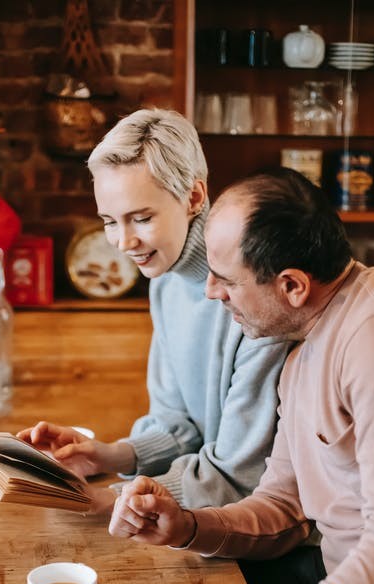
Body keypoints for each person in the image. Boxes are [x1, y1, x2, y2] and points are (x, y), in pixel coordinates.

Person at [107, 167, 374, 584]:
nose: (210, 293)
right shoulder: (299, 352)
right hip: (338, 572)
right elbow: (282, 506)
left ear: (292, 285)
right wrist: (186, 524)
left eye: (225, 279)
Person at [18, 109, 290, 513]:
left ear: (194, 198)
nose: (124, 241)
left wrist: (107, 500)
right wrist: (108, 456)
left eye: (141, 218)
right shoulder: (165, 277)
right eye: (110, 221)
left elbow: (240, 475)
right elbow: (177, 423)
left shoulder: (257, 299)